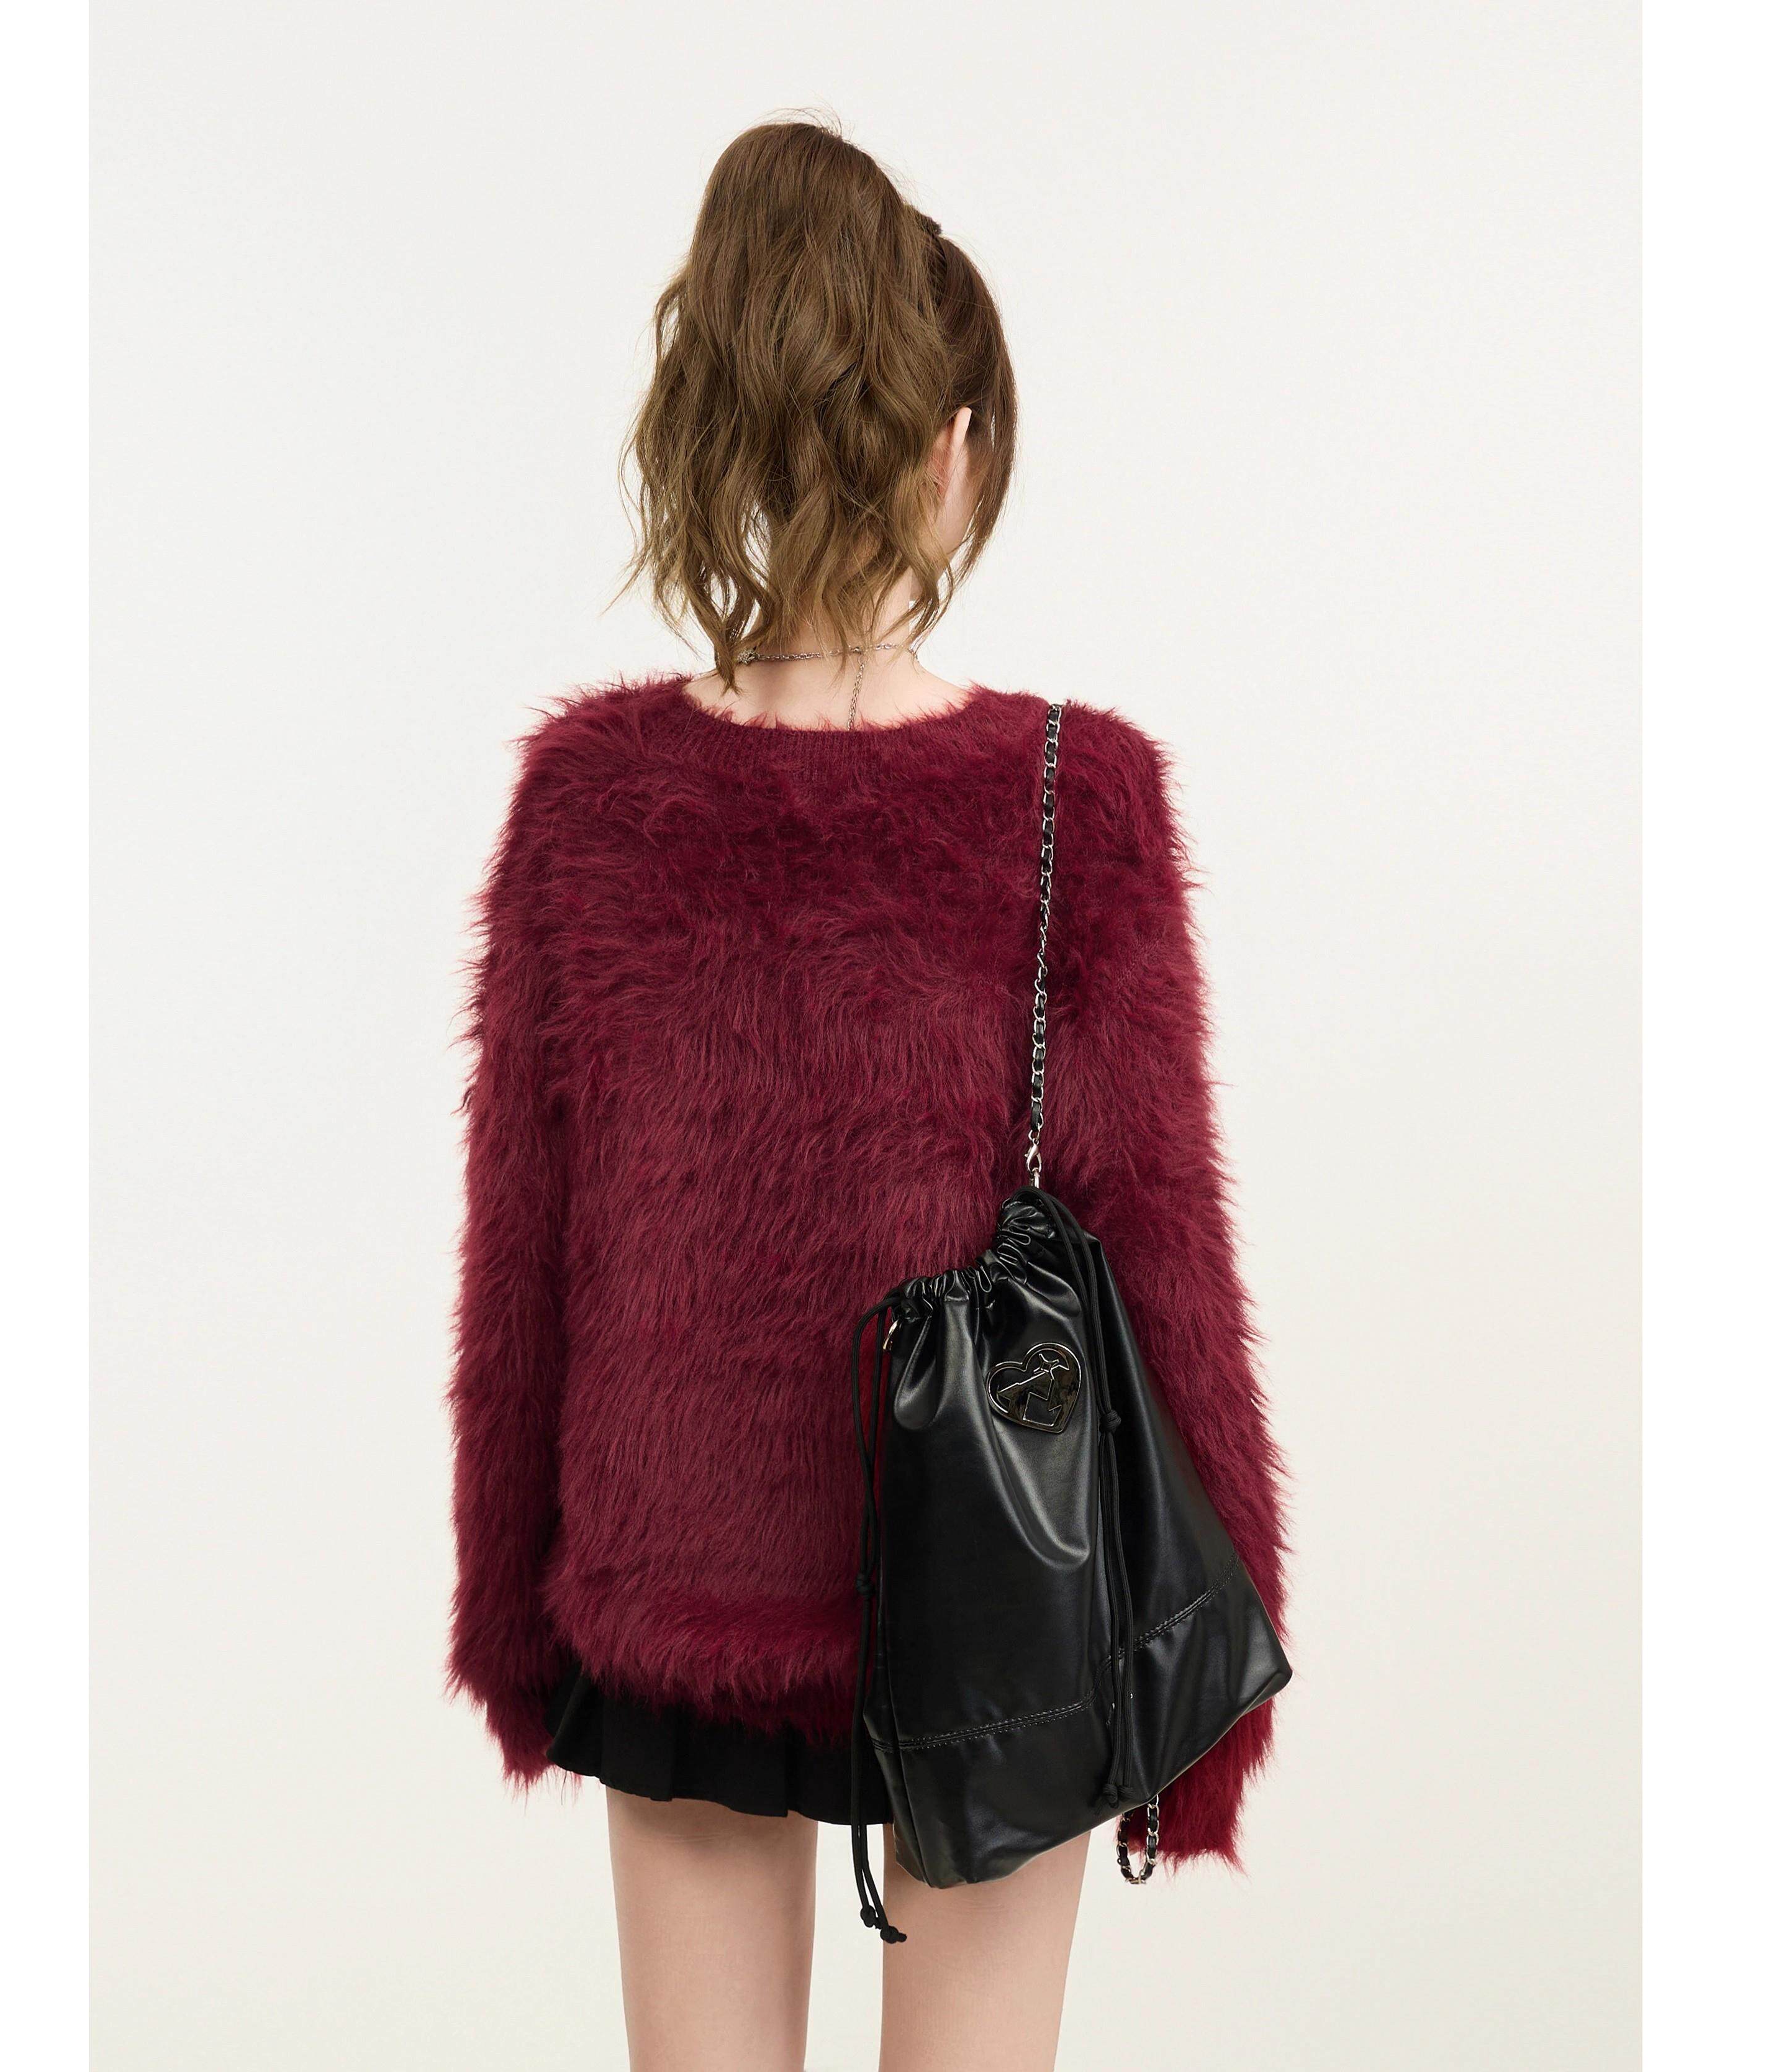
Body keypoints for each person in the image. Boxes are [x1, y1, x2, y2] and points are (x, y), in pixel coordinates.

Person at [447, 116, 1289, 2072]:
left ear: (721, 433)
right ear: (953, 450)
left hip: (677, 1585)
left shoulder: (590, 803)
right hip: (1008, 1588)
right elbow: (1159, 1255)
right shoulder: (1075, 796)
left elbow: (521, 1270)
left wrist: (512, 1622)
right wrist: (1207, 1703)